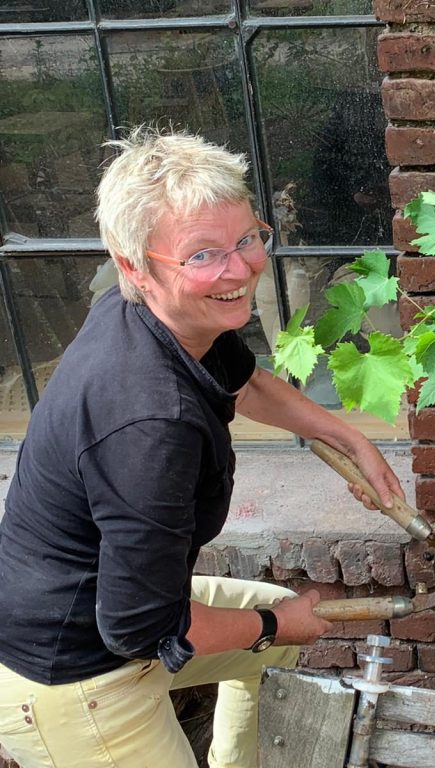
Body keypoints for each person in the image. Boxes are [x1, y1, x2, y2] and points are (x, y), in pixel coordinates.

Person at [0, 126, 405, 768]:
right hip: (74, 673)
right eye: (203, 255)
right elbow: (139, 628)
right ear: (134, 264)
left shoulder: (161, 315)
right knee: (276, 623)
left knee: (271, 620)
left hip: (118, 618)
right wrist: (278, 628)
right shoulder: (151, 427)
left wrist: (347, 435)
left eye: (247, 238)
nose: (240, 269)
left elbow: (244, 382)